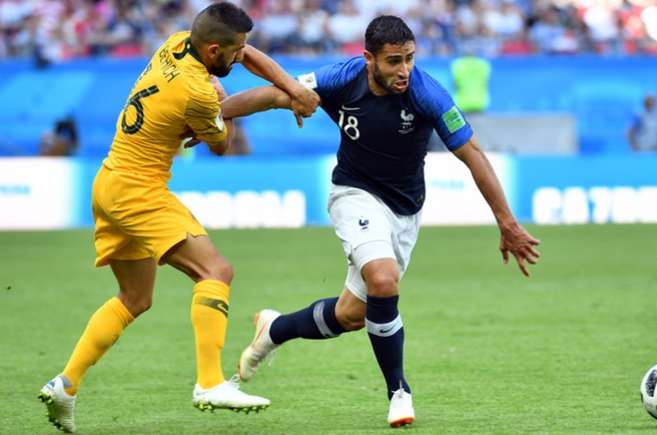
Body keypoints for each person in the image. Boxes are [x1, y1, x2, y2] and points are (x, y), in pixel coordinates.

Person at [221, 15, 540, 428]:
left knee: (353, 314)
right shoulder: (341, 78)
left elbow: (473, 155)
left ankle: (274, 329)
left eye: (409, 59)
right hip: (353, 194)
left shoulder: (428, 94)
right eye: (393, 61)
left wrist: (507, 223)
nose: (404, 70)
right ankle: (399, 392)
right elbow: (279, 94)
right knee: (384, 281)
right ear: (368, 58)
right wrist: (215, 112)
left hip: (405, 209)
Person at [37, 3, 319, 433]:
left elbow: (239, 67)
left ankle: (65, 384)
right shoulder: (196, 92)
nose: (241, 55)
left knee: (135, 298)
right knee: (216, 270)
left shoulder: (174, 45)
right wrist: (282, 98)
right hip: (138, 190)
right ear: (212, 50)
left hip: (109, 181)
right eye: (234, 50)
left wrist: (287, 90)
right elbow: (221, 145)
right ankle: (209, 383)